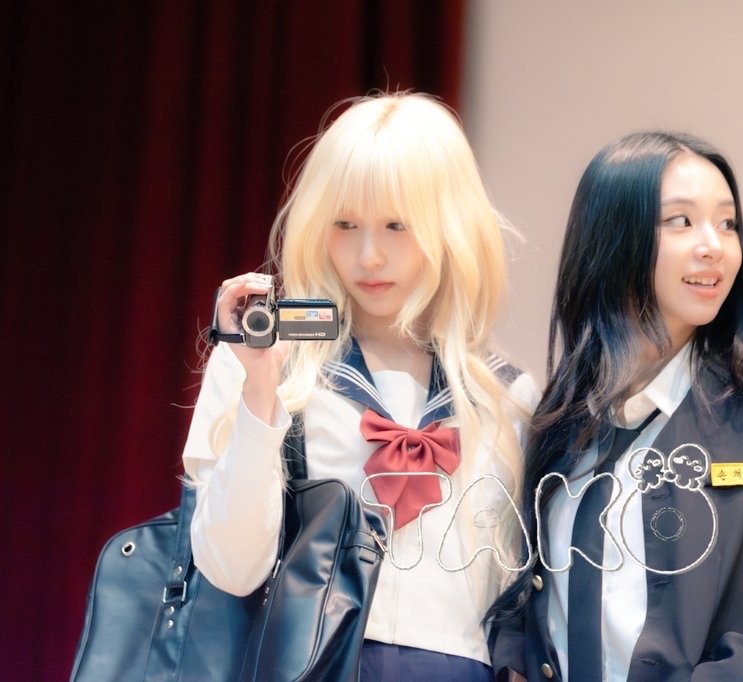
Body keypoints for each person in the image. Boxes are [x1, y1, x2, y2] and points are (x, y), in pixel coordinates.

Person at [488, 131, 743, 681]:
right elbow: (526, 592)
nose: (714, 245)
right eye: (681, 221)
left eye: (727, 223)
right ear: (612, 237)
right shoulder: (559, 420)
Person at [182, 92, 537, 681]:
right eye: (344, 224)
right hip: (306, 665)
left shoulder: (506, 398)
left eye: (397, 225)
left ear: (450, 225)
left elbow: (517, 604)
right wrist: (260, 393)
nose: (368, 256)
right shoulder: (264, 364)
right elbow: (231, 569)